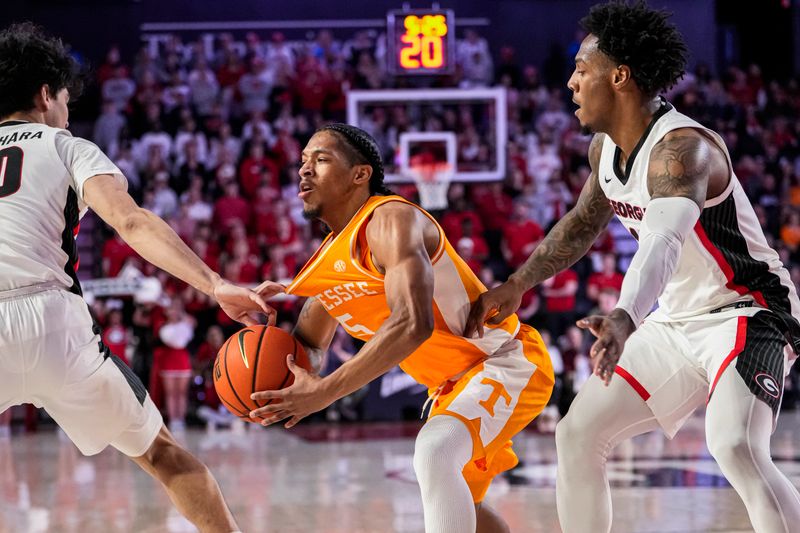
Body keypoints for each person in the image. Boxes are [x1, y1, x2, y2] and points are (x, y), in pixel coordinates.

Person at [465, 2, 800, 532]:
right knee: (578, 434)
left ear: (618, 76)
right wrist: (518, 283)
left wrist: (624, 315)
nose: (571, 82)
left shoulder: (682, 149)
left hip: (748, 310)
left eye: (581, 68)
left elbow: (664, 240)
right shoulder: (605, 148)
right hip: (675, 320)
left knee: (735, 443)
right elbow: (581, 224)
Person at [0, 23, 277, 533]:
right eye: (64, 99)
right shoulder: (65, 145)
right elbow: (131, 222)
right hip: (54, 325)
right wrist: (215, 284)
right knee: (163, 455)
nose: (66, 112)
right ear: (45, 95)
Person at [249, 123, 554, 533]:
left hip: (502, 361)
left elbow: (414, 323)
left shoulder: (392, 219)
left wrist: (323, 392)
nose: (304, 170)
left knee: (434, 453)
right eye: (303, 162)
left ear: (360, 175)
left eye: (320, 160)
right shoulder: (328, 265)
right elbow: (306, 349)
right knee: (465, 507)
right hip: (449, 387)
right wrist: (267, 372)